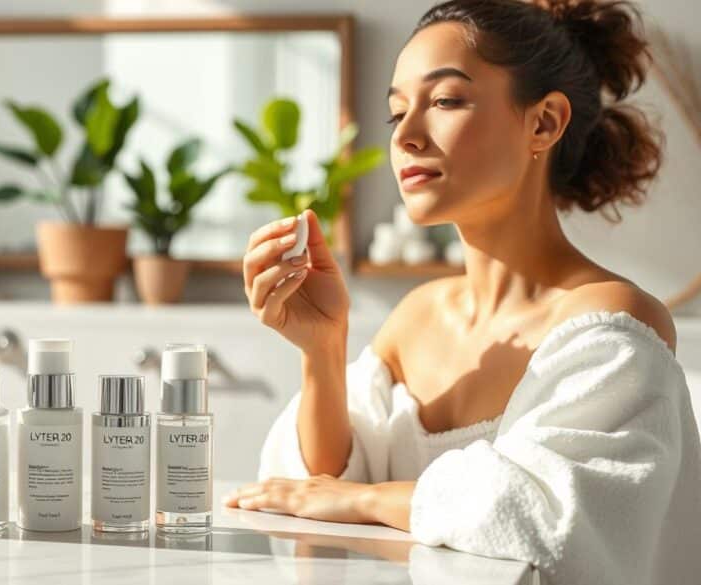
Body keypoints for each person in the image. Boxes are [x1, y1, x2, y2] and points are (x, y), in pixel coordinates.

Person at [222, 1, 701, 584]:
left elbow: (553, 522)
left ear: (544, 123)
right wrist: (322, 350)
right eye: (398, 113)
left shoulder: (614, 326)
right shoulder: (419, 314)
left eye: (445, 100)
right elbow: (319, 486)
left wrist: (369, 501)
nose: (408, 137)